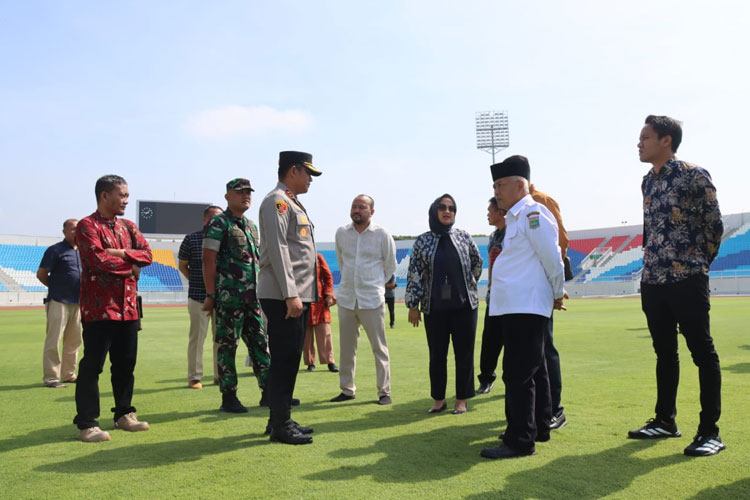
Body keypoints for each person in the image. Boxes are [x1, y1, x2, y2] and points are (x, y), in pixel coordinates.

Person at [629, 115, 725, 457]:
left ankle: (709, 431)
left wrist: (697, 265)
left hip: (687, 277)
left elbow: (714, 226)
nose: (639, 143)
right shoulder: (647, 182)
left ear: (666, 140)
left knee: (702, 352)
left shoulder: (693, 175)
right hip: (653, 280)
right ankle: (665, 420)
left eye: (645, 137)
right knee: (664, 352)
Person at [480, 156, 565, 460]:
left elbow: (552, 257)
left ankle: (520, 440)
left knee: (517, 374)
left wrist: (558, 292)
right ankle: (537, 427)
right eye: (494, 186)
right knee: (535, 370)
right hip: (517, 306)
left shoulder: (533, 213)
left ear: (520, 185)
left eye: (500, 185)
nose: (497, 191)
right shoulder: (516, 217)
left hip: (525, 306)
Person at [73, 175, 153, 443]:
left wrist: (119, 254)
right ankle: (87, 423)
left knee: (125, 364)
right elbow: (97, 260)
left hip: (128, 308)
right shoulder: (87, 226)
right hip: (100, 310)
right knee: (92, 366)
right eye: (122, 195)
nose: (126, 201)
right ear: (104, 195)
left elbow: (148, 255)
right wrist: (130, 267)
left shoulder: (128, 227)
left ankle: (123, 414)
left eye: (128, 196)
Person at [258, 151, 321, 445]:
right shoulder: (277, 202)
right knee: (285, 358)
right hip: (285, 295)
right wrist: (291, 294)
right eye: (308, 173)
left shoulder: (291, 202)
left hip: (293, 294)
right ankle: (281, 424)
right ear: (293, 171)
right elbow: (280, 248)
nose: (310, 179)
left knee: (290, 357)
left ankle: (279, 418)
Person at [406, 194, 483, 414]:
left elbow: (477, 263)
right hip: (435, 308)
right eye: (442, 207)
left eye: (452, 208)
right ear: (434, 211)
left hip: (464, 308)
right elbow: (415, 272)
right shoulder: (423, 240)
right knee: (437, 355)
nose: (447, 211)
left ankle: (462, 400)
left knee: (464, 354)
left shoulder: (464, 237)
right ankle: (438, 400)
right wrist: (413, 305)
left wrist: (469, 283)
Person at [202, 179, 271, 414]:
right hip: (229, 297)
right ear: (227, 196)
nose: (246, 196)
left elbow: (257, 260)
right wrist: (211, 293)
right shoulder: (219, 224)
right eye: (240, 192)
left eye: (248, 193)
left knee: (260, 343)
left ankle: (268, 392)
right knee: (228, 347)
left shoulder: (251, 226)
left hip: (253, 297)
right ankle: (229, 397)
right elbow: (208, 259)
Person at [330, 194, 397, 406]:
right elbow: (342, 262)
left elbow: (390, 266)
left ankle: (384, 391)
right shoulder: (341, 233)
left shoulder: (382, 234)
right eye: (354, 206)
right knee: (347, 349)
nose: (356, 210)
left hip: (371, 299)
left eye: (362, 207)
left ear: (372, 212)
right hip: (348, 297)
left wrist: (375, 283)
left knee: (379, 348)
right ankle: (347, 389)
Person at [529, 184, 570, 430]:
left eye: (501, 184)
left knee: (545, 349)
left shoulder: (540, 201)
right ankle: (536, 410)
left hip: (540, 288)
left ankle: (554, 409)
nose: (497, 190)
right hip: (522, 294)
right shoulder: (514, 208)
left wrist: (555, 286)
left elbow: (560, 242)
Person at [178, 205, 223, 389]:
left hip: (222, 297)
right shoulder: (192, 239)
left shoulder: (226, 239)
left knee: (221, 339)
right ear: (204, 220)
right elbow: (183, 266)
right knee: (197, 338)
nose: (216, 222)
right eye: (213, 218)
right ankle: (195, 377)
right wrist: (199, 282)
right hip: (198, 296)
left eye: (219, 218)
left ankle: (220, 375)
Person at [36, 219, 82, 388]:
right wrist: (55, 287)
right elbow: (41, 274)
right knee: (53, 340)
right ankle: (51, 378)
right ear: (64, 231)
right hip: (58, 301)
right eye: (72, 229)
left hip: (78, 302)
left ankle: (69, 374)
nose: (75, 232)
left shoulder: (83, 251)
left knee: (74, 341)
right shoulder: (55, 250)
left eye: (78, 229)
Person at [476, 198, 506, 395]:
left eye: (490, 209)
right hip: (493, 297)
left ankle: (514, 380)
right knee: (489, 342)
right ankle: (486, 379)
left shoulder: (512, 234)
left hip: (511, 298)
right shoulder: (493, 237)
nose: (487, 213)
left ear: (500, 212)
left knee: (514, 344)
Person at [303, 253, 339, 373]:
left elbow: (328, 277)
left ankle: (330, 362)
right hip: (303, 302)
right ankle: (310, 363)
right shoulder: (294, 256)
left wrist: (329, 294)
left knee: (325, 333)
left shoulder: (318, 257)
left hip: (320, 302)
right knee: (306, 336)